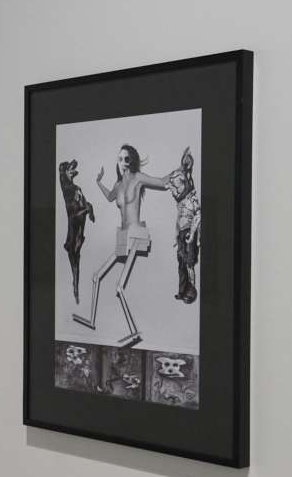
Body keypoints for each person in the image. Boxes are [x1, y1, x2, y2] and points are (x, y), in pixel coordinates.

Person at [72, 144, 168, 347]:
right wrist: (98, 182)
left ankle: (135, 333)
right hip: (123, 235)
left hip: (136, 234)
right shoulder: (118, 185)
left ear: (131, 161)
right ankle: (91, 320)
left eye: (126, 158)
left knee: (119, 287)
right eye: (119, 158)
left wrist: (181, 172)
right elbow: (110, 197)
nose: (122, 162)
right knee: (96, 276)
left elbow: (162, 182)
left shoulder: (138, 178)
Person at [163, 146, 201, 304]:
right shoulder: (181, 202)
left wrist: (192, 235)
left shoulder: (191, 198)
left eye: (175, 186)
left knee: (189, 264)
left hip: (189, 234)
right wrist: (176, 235)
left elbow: (198, 215)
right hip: (181, 234)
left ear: (184, 184)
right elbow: (179, 220)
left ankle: (191, 289)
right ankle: (182, 290)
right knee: (181, 264)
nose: (173, 190)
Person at [58, 159, 95, 304]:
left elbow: (84, 205)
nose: (72, 170)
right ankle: (76, 289)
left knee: (76, 264)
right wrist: (87, 210)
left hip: (78, 234)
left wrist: (89, 210)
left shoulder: (76, 188)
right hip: (74, 235)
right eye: (69, 169)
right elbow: (75, 214)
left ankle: (76, 288)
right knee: (75, 262)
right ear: (64, 174)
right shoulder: (68, 191)